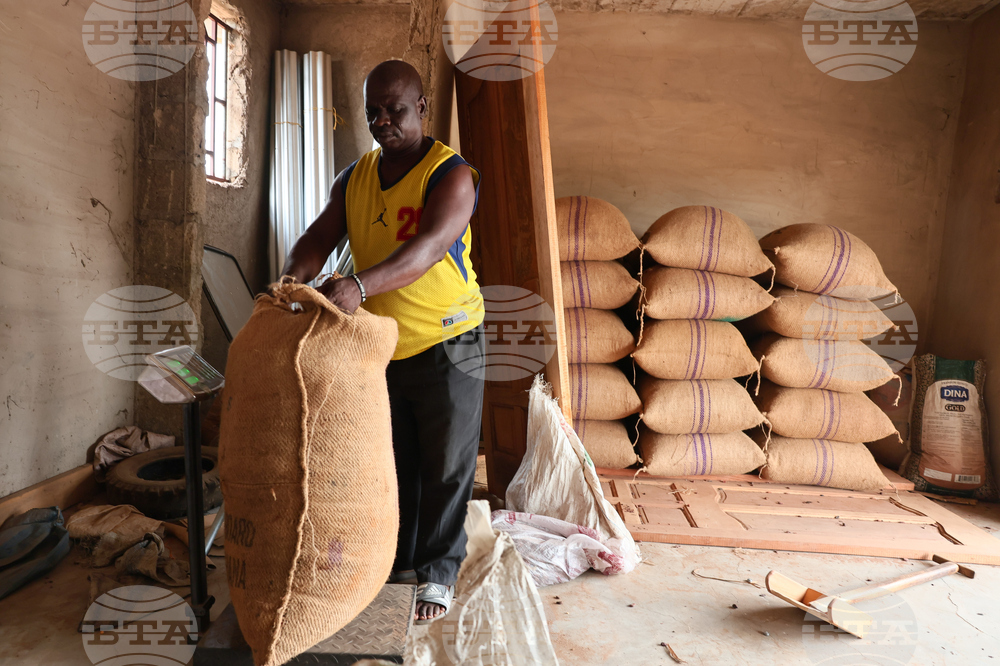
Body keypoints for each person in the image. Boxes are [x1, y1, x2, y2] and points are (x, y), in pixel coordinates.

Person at [280, 59, 484, 624]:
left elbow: (431, 246)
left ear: (421, 107)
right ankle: (396, 562)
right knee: (395, 461)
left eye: (396, 109)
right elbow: (316, 239)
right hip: (381, 345)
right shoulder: (356, 176)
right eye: (373, 110)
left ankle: (439, 571)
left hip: (449, 341)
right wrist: (289, 281)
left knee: (447, 464)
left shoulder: (451, 174)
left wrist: (361, 285)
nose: (383, 121)